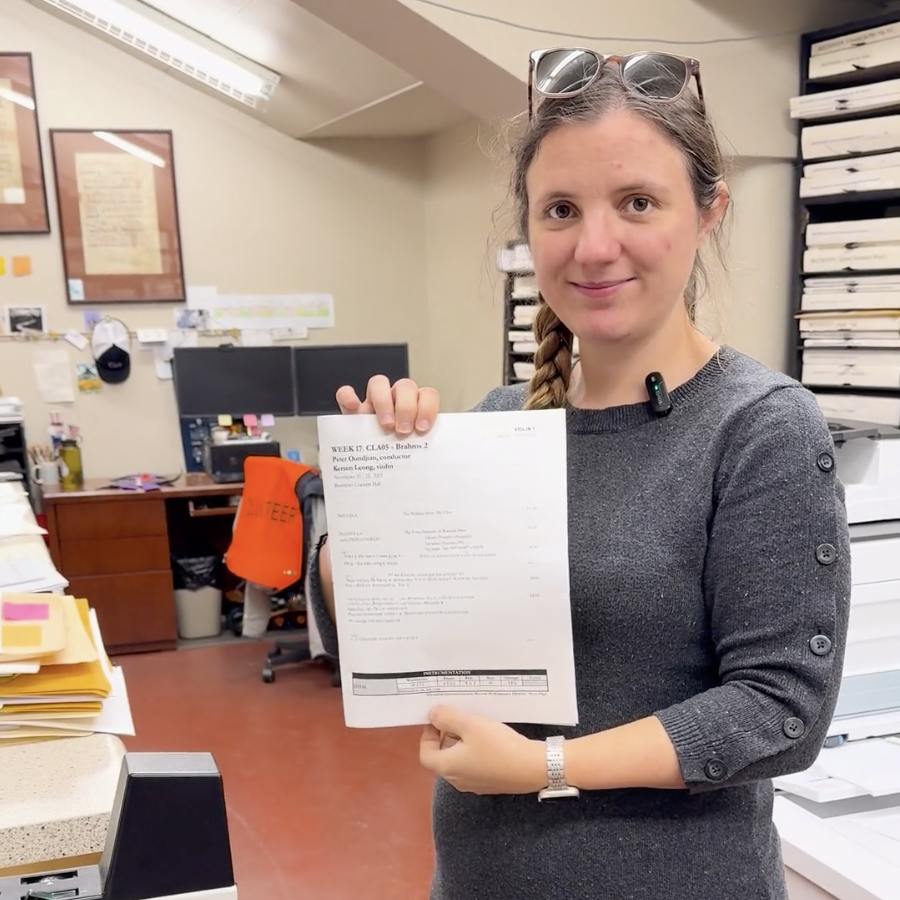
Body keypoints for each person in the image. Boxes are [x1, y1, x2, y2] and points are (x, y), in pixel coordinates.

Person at [324, 48, 852, 900]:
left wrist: (547, 765)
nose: (594, 245)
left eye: (637, 202)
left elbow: (779, 710)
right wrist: (371, 498)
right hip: (483, 879)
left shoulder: (758, 427)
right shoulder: (500, 423)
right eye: (561, 209)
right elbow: (402, 653)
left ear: (709, 210)